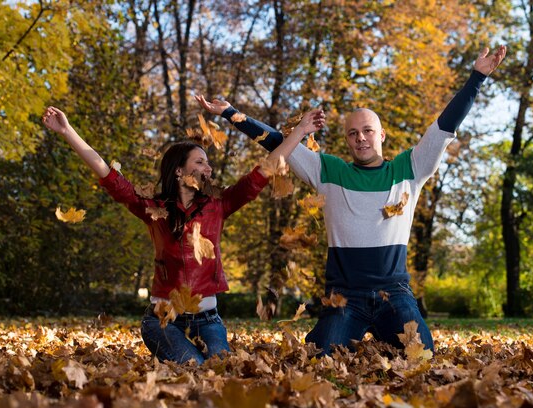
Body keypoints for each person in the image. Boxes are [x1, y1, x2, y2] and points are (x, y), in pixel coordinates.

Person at [195, 46, 507, 355]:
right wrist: (230, 113)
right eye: (353, 133)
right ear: (346, 139)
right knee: (320, 359)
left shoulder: (410, 169)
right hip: (345, 296)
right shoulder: (328, 170)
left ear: (381, 135)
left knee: (423, 357)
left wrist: (476, 77)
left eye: (367, 131)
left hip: (394, 295)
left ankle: (383, 341)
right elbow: (278, 141)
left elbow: (444, 125)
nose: (360, 138)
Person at [42, 107, 325, 364]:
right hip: (163, 321)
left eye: (208, 163)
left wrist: (300, 131)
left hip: (209, 320)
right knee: (194, 369)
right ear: (179, 171)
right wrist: (67, 131)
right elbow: (107, 174)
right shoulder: (153, 209)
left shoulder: (219, 204)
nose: (208, 168)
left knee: (220, 370)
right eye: (200, 162)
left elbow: (266, 168)